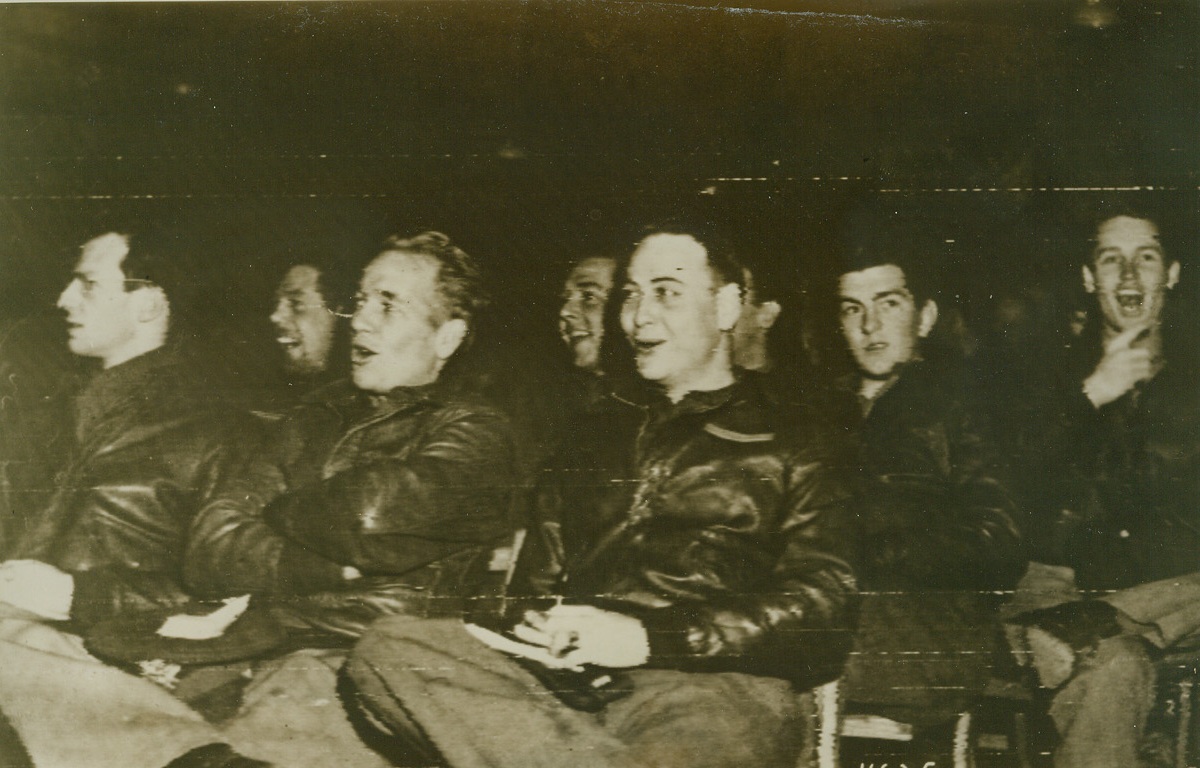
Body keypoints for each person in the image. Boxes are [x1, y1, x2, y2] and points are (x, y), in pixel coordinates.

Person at [343, 224, 858, 768]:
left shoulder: (801, 440)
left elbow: (823, 608)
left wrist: (646, 637)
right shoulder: (589, 435)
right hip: (562, 689)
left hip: (711, 688)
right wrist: (534, 630)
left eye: (666, 292)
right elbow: (532, 588)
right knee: (388, 650)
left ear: (727, 306)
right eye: (631, 294)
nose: (639, 317)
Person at [0, 229, 265, 768]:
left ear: (146, 305)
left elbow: (234, 591)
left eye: (88, 284)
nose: (62, 300)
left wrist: (82, 597)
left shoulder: (219, 430)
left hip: (121, 656)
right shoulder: (53, 416)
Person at [1005, 210, 1200, 768]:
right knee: (1116, 667)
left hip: (1172, 600)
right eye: (1111, 259)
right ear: (1090, 280)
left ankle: (1109, 621)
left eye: (1147, 256)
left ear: (1173, 274)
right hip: (1057, 593)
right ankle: (1107, 627)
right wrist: (1088, 396)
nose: (1130, 275)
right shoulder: (1036, 376)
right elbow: (1005, 501)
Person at [832, 240, 1025, 732]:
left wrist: (874, 551)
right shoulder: (815, 408)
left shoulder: (960, 405)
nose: (868, 325)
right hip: (833, 614)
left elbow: (998, 538)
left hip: (929, 631)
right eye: (853, 309)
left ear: (925, 316)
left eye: (888, 304)